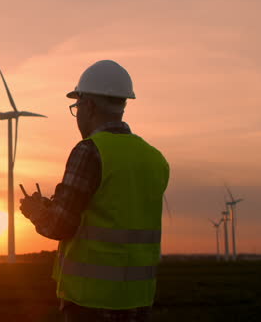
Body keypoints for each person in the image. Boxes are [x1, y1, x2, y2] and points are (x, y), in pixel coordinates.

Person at [20, 60, 169, 322]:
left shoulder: (90, 151)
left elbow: (58, 225)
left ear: (88, 105)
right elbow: (116, 210)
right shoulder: (154, 158)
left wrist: (36, 212)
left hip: (91, 303)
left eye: (76, 106)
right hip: (139, 300)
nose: (77, 114)